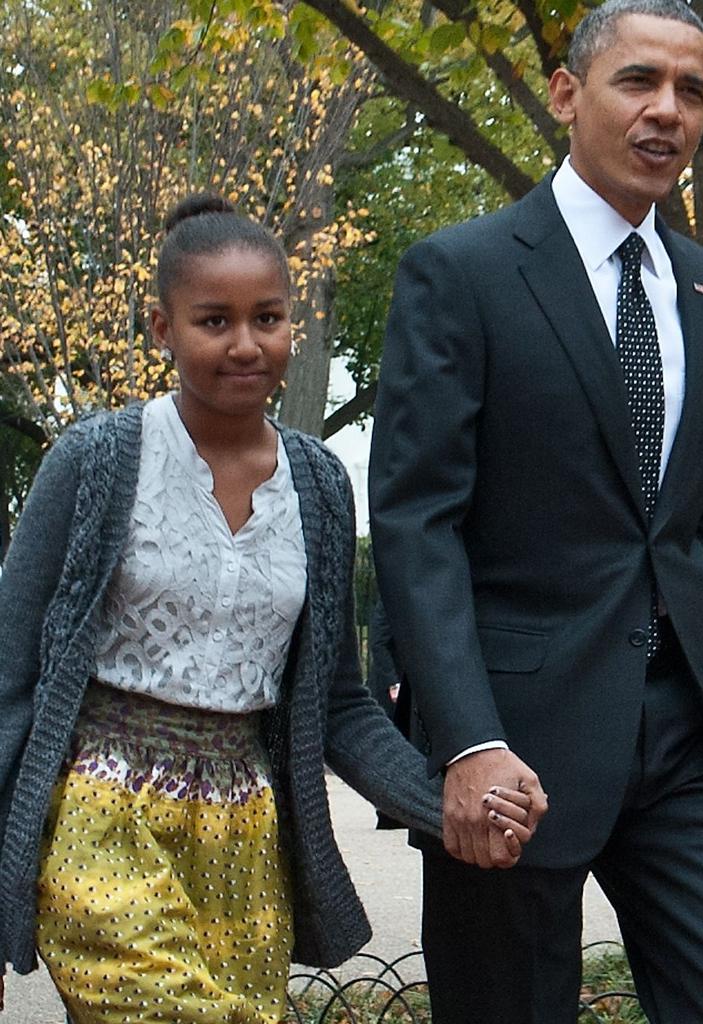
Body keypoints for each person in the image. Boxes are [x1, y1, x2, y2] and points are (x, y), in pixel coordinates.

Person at [0, 194, 518, 1023]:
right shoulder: (96, 459)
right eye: (214, 321)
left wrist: (445, 800)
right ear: (164, 328)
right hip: (101, 814)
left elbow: (339, 703)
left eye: (268, 318)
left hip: (247, 837)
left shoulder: (317, 483)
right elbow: (10, 674)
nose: (246, 345)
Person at [369, 1, 703, 1021]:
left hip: (686, 735)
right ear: (565, 95)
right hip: (515, 748)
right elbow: (420, 526)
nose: (667, 112)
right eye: (638, 81)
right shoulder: (459, 274)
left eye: (691, 90)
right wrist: (464, 740)